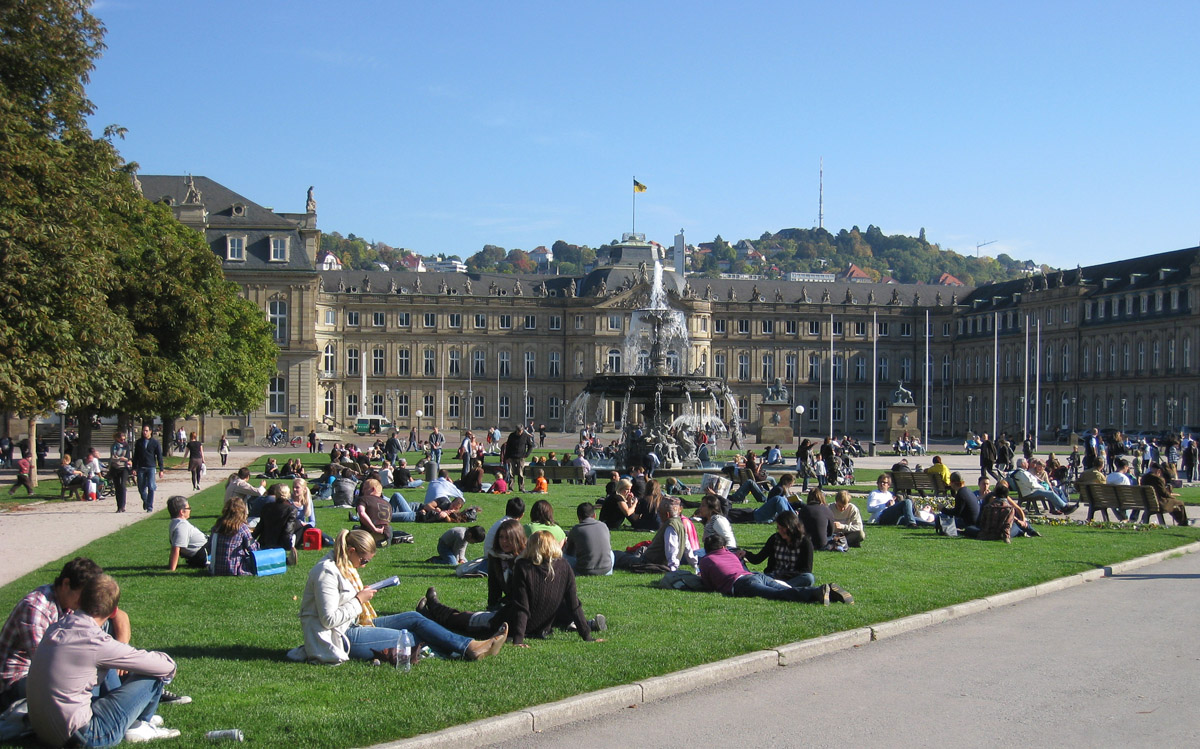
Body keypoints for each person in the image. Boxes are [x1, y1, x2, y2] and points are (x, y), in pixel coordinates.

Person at [287, 530, 504, 666]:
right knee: (407, 637)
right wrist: (358, 600)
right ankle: (463, 650)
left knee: (413, 618)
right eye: (363, 561)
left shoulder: (344, 566)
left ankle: (469, 646)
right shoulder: (326, 572)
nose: (364, 565)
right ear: (351, 550)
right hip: (340, 637)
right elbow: (328, 620)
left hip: (352, 625)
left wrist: (359, 597)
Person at [26, 573, 181, 746]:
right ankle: (138, 726)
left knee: (102, 669)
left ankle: (134, 720)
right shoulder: (95, 641)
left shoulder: (56, 627)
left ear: (79, 601)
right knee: (153, 675)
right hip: (83, 737)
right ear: (114, 611)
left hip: (43, 731)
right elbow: (164, 666)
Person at [418, 531, 607, 646]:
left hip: (506, 623)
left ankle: (432, 610)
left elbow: (521, 606)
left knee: (464, 619)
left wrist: (518, 639)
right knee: (471, 617)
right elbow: (574, 605)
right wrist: (587, 636)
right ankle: (431, 611)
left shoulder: (524, 567)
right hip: (540, 626)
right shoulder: (564, 566)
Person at [0, 558, 125, 713]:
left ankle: (118, 710)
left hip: (47, 672)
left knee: (99, 658)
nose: (85, 602)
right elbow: (46, 664)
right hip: (17, 682)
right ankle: (114, 710)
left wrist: (120, 648)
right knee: (87, 669)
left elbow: (118, 614)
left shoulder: (69, 602)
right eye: (82, 595)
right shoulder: (36, 608)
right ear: (66, 584)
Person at [700, 535, 851, 604]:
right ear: (724, 547)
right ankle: (828, 592)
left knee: (779, 594)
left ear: (707, 550)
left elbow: (707, 584)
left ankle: (817, 592)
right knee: (783, 588)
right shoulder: (731, 555)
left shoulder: (706, 560)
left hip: (742, 584)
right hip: (756, 575)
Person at [742, 511, 816, 588]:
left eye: (783, 528)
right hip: (772, 576)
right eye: (779, 528)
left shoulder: (805, 542)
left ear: (792, 527)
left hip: (792, 578)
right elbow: (758, 558)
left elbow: (806, 570)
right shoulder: (774, 539)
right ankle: (782, 589)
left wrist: (784, 575)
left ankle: (777, 588)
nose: (780, 531)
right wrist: (746, 553)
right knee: (750, 575)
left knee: (809, 578)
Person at [1009, 458, 1079, 515]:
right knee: (1050, 493)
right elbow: (1031, 484)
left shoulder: (1022, 472)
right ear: (1023, 464)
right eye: (1026, 463)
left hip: (1032, 490)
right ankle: (1065, 507)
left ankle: (1063, 507)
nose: (1028, 464)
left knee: (1052, 490)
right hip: (1030, 492)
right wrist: (1042, 487)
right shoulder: (1020, 473)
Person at [208, 497, 258, 576]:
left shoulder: (217, 526)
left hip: (215, 569)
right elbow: (252, 548)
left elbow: (210, 545)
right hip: (235, 569)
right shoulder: (242, 527)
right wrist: (255, 541)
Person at [255, 484, 301, 565]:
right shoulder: (291, 510)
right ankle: (286, 559)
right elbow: (288, 531)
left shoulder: (266, 507)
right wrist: (288, 546)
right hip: (280, 544)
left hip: (264, 542)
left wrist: (251, 540)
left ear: (275, 494)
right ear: (288, 494)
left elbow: (260, 526)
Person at [564, 503, 614, 576]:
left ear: (579, 517)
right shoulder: (604, 526)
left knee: (562, 557)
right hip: (606, 570)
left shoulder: (576, 529)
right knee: (611, 553)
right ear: (594, 515)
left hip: (584, 570)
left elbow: (569, 552)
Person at [166, 496, 208, 570]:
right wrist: (171, 569)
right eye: (188, 508)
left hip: (202, 550)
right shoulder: (182, 526)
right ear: (182, 512)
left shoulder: (174, 523)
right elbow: (176, 548)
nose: (190, 510)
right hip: (204, 552)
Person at [131, 424, 164, 513]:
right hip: (141, 467)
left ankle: (149, 506)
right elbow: (136, 456)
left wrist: (161, 469)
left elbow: (159, 456)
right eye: (143, 431)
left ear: (150, 432)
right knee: (141, 487)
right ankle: (145, 500)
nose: (144, 432)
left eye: (146, 431)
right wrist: (134, 468)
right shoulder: (139, 442)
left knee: (151, 486)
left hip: (151, 467)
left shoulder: (155, 442)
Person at [355, 478, 393, 547]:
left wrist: (374, 529)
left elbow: (361, 513)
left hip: (368, 538)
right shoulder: (388, 504)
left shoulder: (364, 499)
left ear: (373, 489)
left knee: (354, 529)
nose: (363, 491)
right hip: (385, 538)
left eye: (365, 488)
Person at [503, 424, 535, 492]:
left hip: (521, 457)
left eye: (521, 431)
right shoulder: (512, 435)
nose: (519, 433)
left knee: (520, 473)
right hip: (512, 457)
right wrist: (507, 457)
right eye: (518, 431)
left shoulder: (525, 436)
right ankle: (511, 487)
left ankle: (521, 487)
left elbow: (530, 446)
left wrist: (526, 454)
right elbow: (508, 447)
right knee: (511, 473)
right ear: (516, 430)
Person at [107, 431, 131, 513]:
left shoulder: (126, 446)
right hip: (115, 467)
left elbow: (128, 457)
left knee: (122, 485)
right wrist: (120, 458)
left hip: (124, 467)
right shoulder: (113, 446)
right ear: (117, 439)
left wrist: (125, 459)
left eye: (124, 439)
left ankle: (123, 505)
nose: (123, 441)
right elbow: (113, 457)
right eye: (121, 439)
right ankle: (119, 506)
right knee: (117, 487)